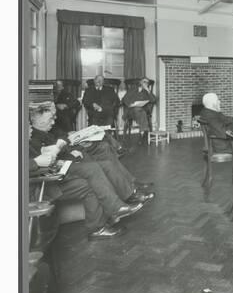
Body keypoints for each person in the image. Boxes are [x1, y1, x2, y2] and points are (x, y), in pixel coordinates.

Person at [29, 108, 147, 240]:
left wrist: (62, 149)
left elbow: (62, 139)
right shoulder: (32, 139)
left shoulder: (43, 135)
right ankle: (116, 208)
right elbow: (39, 162)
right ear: (38, 121)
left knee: (96, 176)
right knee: (93, 169)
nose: (53, 121)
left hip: (59, 168)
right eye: (50, 119)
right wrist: (46, 158)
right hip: (48, 182)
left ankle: (99, 226)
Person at [122, 77, 157, 143]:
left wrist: (148, 91)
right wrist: (130, 104)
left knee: (141, 111)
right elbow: (124, 99)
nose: (145, 83)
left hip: (141, 111)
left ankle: (143, 132)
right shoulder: (132, 89)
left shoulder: (146, 92)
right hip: (130, 110)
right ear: (140, 82)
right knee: (139, 110)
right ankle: (145, 132)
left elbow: (154, 100)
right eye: (144, 81)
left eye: (147, 82)